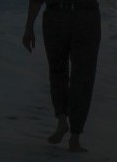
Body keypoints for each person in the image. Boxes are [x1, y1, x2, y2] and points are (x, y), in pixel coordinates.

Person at [22, 0, 101, 153]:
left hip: (67, 14)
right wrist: (29, 27)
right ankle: (72, 132)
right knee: (77, 74)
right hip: (76, 15)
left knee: (66, 72)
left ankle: (66, 123)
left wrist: (29, 27)